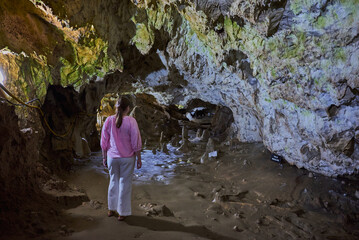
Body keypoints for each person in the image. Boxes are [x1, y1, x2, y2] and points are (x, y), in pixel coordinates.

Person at [100, 96, 142, 221]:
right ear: (128, 108)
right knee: (125, 183)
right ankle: (122, 212)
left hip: (112, 157)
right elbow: (136, 142)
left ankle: (111, 209)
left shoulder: (109, 120)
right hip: (127, 158)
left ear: (116, 107)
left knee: (113, 181)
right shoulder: (131, 121)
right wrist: (139, 158)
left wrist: (104, 157)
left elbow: (104, 141)